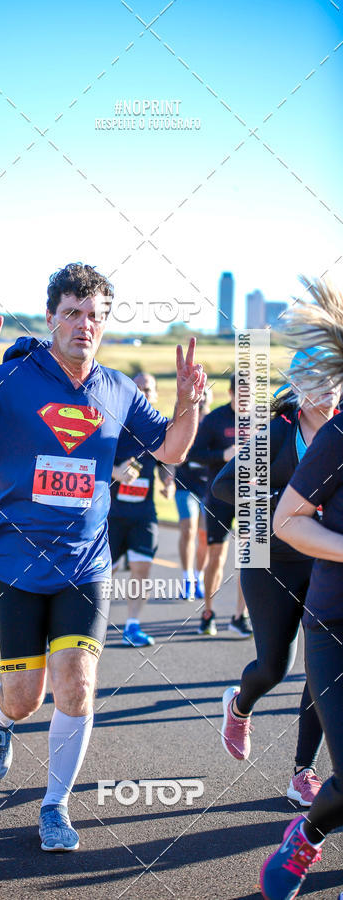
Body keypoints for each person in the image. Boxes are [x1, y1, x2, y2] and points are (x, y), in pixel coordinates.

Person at [0, 263, 206, 851]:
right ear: (52, 315)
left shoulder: (119, 391)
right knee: (26, 697)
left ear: (105, 324)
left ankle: (56, 806)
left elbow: (174, 450)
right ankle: (0, 719)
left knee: (77, 684)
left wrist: (188, 402)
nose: (85, 325)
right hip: (16, 565)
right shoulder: (7, 382)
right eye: (73, 313)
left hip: (86, 565)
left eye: (96, 316)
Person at [213, 347, 339, 805]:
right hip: (270, 556)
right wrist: (288, 500)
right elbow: (223, 486)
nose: (328, 386)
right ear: (298, 388)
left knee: (323, 668)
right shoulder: (276, 434)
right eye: (317, 379)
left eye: (334, 377)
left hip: (325, 560)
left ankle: (302, 771)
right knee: (274, 666)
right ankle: (239, 705)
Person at [259, 277, 343, 900]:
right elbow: (278, 520)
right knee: (270, 663)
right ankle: (306, 836)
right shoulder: (329, 440)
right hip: (330, 616)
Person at [109, 372, 175, 647]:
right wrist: (115, 472)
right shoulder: (113, 426)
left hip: (144, 515)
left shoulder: (159, 430)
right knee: (102, 573)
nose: (144, 393)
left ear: (156, 395)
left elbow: (168, 460)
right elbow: (90, 461)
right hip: (110, 515)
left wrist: (168, 482)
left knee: (141, 569)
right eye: (138, 389)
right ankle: (89, 623)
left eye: (148, 389)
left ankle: (132, 626)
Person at [188, 374, 252, 637]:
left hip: (251, 496)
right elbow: (194, 455)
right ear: (231, 393)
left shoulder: (262, 421)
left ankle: (240, 615)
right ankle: (209, 612)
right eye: (241, 394)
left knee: (250, 559)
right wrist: (223, 455)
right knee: (217, 557)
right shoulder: (215, 419)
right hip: (219, 496)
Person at [173, 386, 212, 600]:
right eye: (200, 393)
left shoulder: (214, 422)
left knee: (205, 536)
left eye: (206, 393)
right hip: (185, 484)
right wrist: (168, 475)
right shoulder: (184, 417)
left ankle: (199, 577)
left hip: (208, 488)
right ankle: (186, 578)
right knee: (188, 529)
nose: (202, 397)